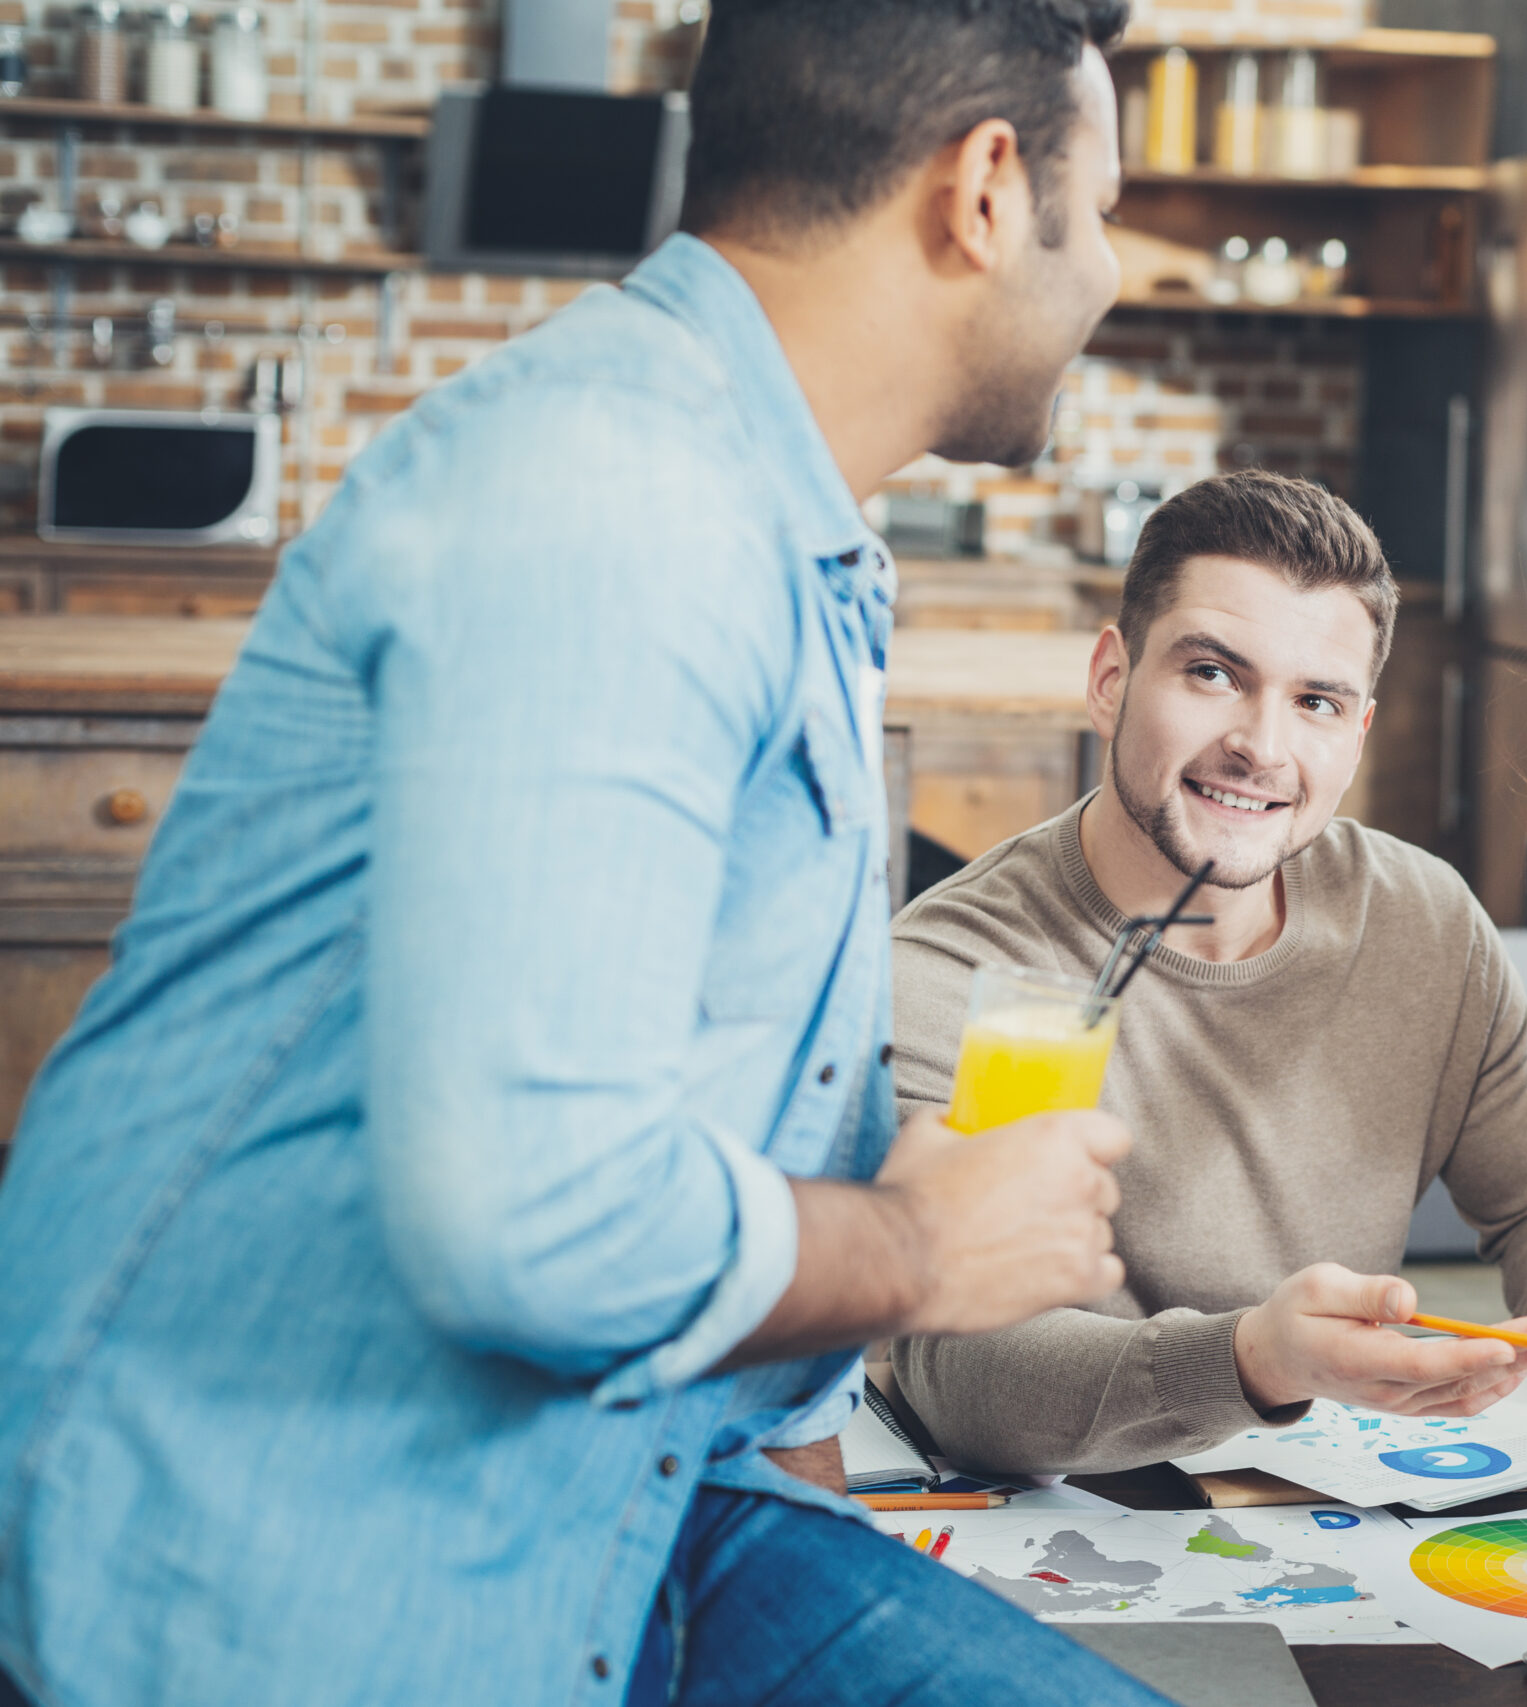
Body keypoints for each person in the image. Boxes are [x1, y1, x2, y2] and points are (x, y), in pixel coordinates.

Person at [0, 4, 1179, 1705]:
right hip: (273, 1565)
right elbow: (530, 1218)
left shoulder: (767, 510)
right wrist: (916, 1246)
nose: (1113, 272)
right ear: (987, 190)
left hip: (614, 1494)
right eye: (1106, 208)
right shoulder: (623, 495)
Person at [888, 469, 1527, 1473]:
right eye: (1209, 674)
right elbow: (964, 1373)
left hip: (1323, 1522)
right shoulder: (957, 968)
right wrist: (1250, 1362)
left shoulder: (1419, 920)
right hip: (1042, 1530)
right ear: (1110, 679)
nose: (1261, 747)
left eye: (1316, 701)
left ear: (1358, 731)